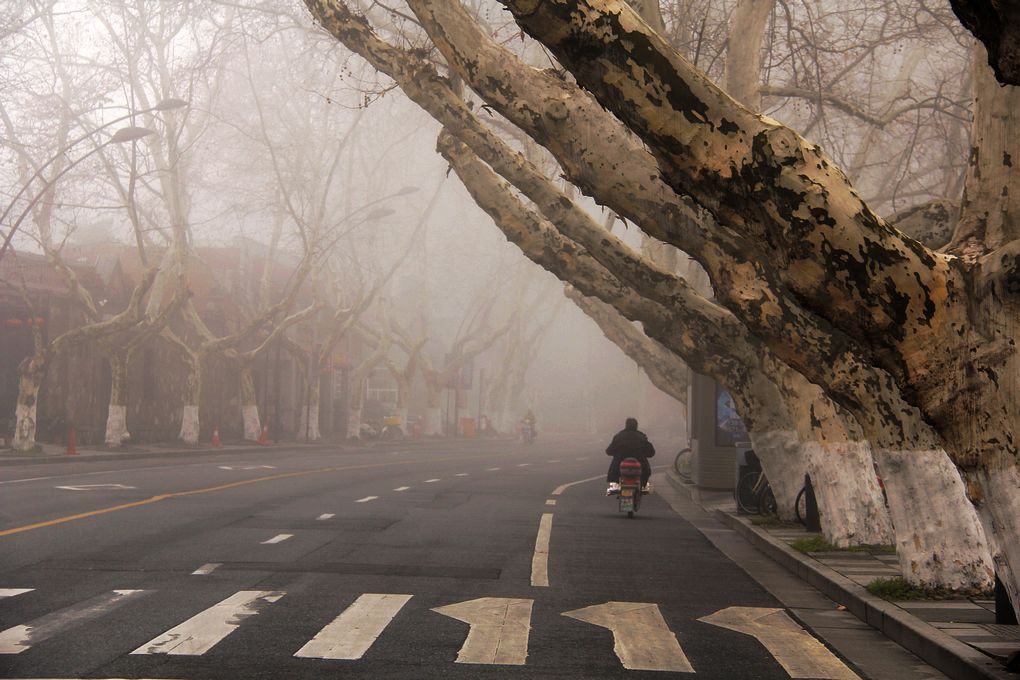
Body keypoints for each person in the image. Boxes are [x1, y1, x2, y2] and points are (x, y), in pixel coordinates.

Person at [606, 417, 655, 495]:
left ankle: (615, 487)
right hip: (640, 463)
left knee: (614, 472)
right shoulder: (641, 436)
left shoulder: (619, 436)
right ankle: (642, 487)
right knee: (646, 472)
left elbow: (609, 451)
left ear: (626, 425)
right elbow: (651, 452)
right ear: (636, 425)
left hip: (619, 464)